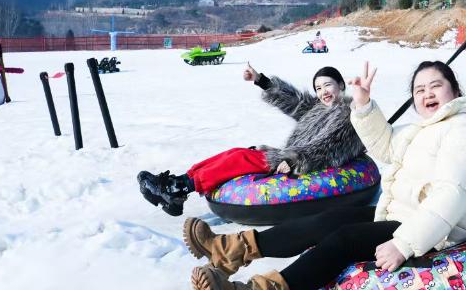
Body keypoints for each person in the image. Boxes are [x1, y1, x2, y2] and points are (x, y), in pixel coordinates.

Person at [184, 60, 466, 290]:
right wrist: (364, 106)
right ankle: (231, 250)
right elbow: (386, 146)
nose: (427, 94)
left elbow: (450, 197)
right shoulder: (427, 128)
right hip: (407, 213)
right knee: (329, 219)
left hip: (442, 231)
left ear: (455, 89)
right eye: (419, 89)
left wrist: (404, 244)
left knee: (344, 240)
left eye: (435, 85)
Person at [137, 64, 364, 216]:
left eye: (328, 85)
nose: (323, 92)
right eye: (318, 88)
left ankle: (179, 188)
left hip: (296, 163)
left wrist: (294, 161)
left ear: (341, 85)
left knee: (239, 158)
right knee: (234, 152)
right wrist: (260, 80)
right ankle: (179, 184)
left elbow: (328, 149)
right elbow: (294, 101)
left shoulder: (347, 114)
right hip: (288, 156)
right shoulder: (318, 109)